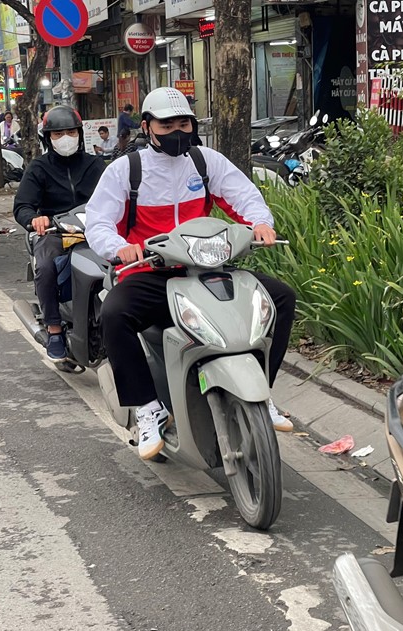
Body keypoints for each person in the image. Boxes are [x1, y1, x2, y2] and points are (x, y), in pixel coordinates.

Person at [85, 87, 296, 460]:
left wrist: (261, 224)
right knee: (115, 313)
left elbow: (244, 197)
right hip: (148, 272)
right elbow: (99, 221)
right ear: (148, 127)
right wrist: (119, 247)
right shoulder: (126, 170)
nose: (177, 131)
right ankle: (148, 408)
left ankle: (263, 394)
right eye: (167, 124)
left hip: (205, 267)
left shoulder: (205, 162)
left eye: (184, 123)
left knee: (280, 297)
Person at [13, 106, 106, 362]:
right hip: (57, 232)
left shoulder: (97, 165)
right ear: (48, 138)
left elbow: (119, 197)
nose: (65, 137)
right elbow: (22, 206)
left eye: (70, 131)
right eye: (58, 134)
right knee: (45, 265)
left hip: (96, 230)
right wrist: (35, 219)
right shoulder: (39, 168)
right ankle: (54, 328)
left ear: (79, 134)